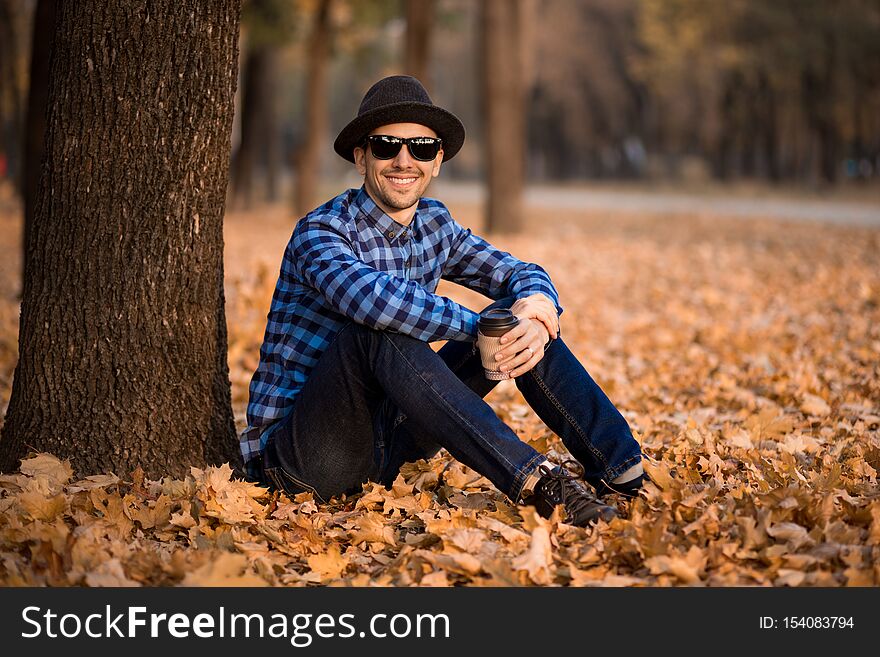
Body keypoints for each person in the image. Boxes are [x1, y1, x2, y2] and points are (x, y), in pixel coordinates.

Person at [241, 76, 645, 527]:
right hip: (305, 460)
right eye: (385, 145)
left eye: (421, 148)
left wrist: (536, 309)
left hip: (392, 446)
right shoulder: (322, 231)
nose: (403, 160)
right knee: (378, 332)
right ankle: (538, 483)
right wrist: (479, 329)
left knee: (514, 315)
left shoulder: (435, 224)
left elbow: (518, 271)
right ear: (360, 158)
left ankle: (620, 469)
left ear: (437, 163)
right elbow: (376, 302)